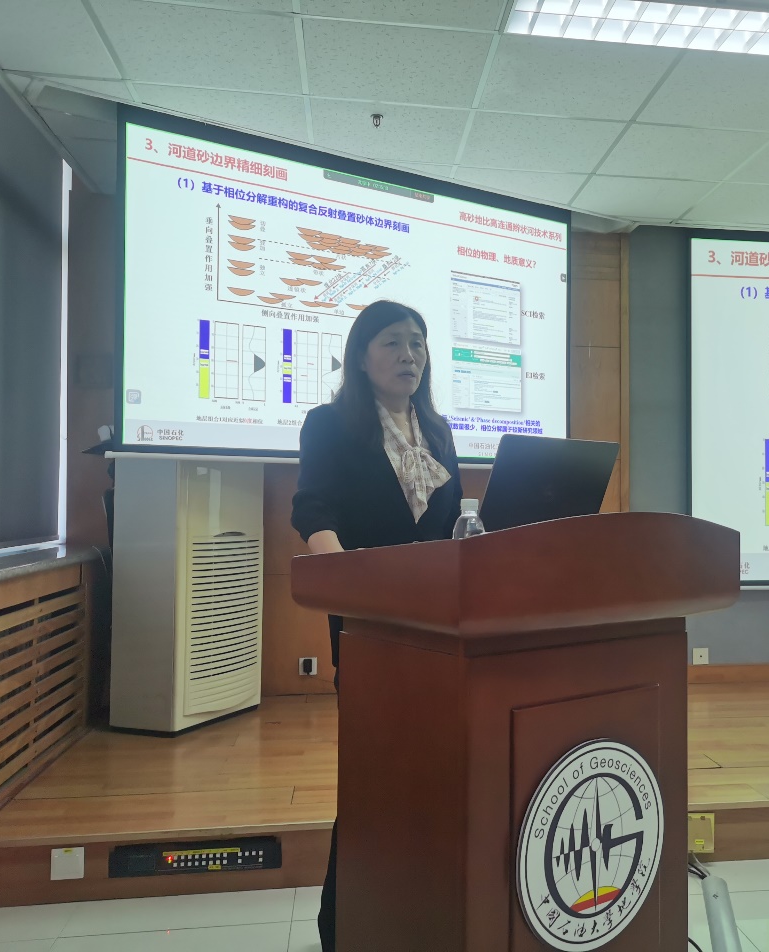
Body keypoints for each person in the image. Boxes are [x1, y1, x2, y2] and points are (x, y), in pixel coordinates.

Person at [290, 299, 463, 952]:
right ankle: (345, 931)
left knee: (438, 774)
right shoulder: (331, 424)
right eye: (392, 342)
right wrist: (348, 580)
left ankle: (426, 914)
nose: (408, 354)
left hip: (441, 626)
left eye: (417, 342)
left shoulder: (438, 431)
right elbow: (313, 508)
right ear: (361, 357)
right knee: (376, 777)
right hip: (370, 626)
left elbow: (451, 527)